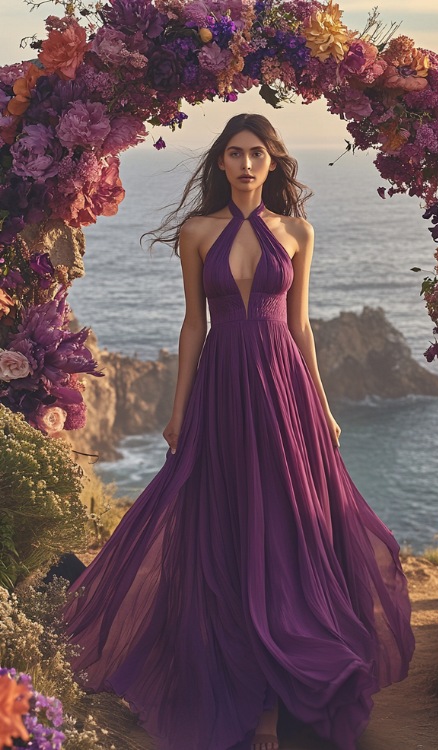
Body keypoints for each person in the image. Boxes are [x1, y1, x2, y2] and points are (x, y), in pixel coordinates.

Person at [63, 113, 415, 750]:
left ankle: (280, 692)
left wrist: (327, 406)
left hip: (286, 389)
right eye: (235, 153)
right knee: (225, 518)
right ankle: (243, 683)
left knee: (288, 520)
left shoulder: (299, 232)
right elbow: (193, 325)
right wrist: (177, 408)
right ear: (221, 164)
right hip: (222, 387)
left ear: (272, 162)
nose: (247, 164)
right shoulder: (197, 234)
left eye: (257, 153)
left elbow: (302, 327)